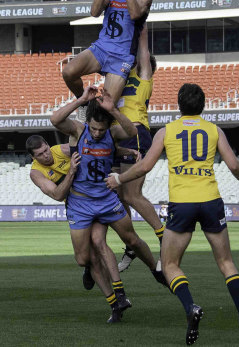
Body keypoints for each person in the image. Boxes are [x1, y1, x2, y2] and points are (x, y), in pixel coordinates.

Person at [106, 83, 239, 345]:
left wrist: (120, 178)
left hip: (182, 204)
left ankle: (191, 308)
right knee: (226, 263)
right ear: (203, 104)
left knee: (170, 265)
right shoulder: (214, 130)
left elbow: (144, 167)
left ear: (178, 105)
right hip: (211, 201)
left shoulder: (167, 132)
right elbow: (233, 164)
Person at [50, 85, 167, 322]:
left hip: (106, 199)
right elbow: (55, 119)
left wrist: (112, 110)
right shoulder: (78, 130)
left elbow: (131, 130)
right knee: (84, 258)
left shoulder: (111, 134)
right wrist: (82, 99)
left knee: (131, 238)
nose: (96, 133)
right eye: (93, 128)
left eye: (100, 129)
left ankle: (156, 270)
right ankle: (96, 276)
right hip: (80, 203)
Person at [26, 134, 137, 323]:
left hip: (93, 200)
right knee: (84, 259)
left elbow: (98, 150)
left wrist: (128, 152)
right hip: (76, 209)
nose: (46, 156)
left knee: (99, 242)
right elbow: (57, 195)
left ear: (48, 145)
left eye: (46, 150)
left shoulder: (62, 150)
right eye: (40, 155)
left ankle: (117, 299)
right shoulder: (36, 173)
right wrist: (71, 172)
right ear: (33, 158)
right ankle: (92, 272)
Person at [62, 0, 152, 107]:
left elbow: (135, 14)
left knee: (106, 107)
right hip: (101, 48)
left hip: (122, 56)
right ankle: (84, 103)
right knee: (68, 72)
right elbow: (94, 12)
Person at [113, 23, 165, 272]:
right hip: (116, 138)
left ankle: (164, 236)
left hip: (135, 133)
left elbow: (142, 49)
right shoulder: (120, 81)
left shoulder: (144, 80)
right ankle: (131, 244)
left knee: (132, 195)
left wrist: (139, 26)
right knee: (120, 194)